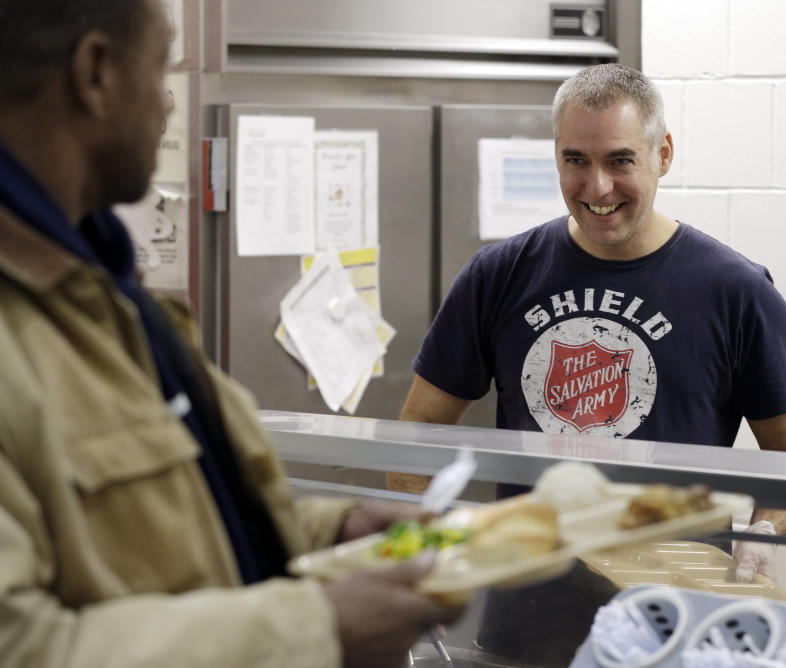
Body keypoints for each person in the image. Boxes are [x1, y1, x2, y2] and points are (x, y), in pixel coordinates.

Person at [0, 2, 459, 667]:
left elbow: (155, 530)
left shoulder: (105, 296)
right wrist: (316, 628)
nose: (165, 106)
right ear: (95, 73)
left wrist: (334, 532)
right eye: (160, 70)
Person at [397, 63, 786, 663]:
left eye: (620, 160)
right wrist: (423, 558)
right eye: (576, 161)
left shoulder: (735, 291)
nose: (597, 187)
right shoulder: (499, 275)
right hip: (525, 627)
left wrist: (763, 532)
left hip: (674, 625)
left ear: (662, 154)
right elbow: (414, 439)